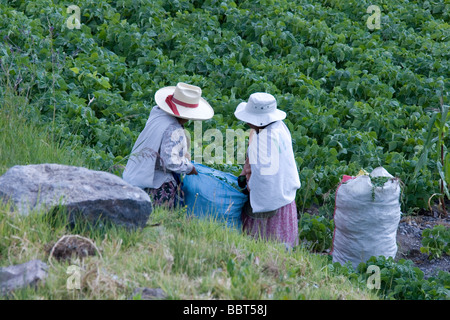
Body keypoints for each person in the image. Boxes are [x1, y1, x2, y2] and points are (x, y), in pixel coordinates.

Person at [123, 82, 214, 208]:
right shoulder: (173, 129)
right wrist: (189, 167)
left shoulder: (158, 114)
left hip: (137, 174)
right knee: (159, 218)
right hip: (157, 183)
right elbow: (171, 162)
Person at [235, 92, 301, 247]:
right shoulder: (279, 127)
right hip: (285, 197)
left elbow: (263, 178)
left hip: (270, 205)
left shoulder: (263, 142)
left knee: (265, 246)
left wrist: (249, 186)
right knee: (283, 248)